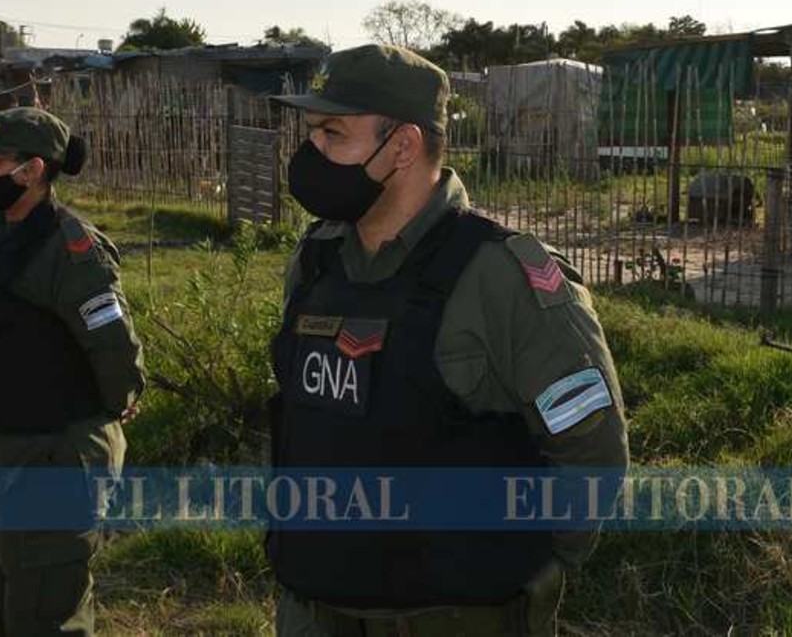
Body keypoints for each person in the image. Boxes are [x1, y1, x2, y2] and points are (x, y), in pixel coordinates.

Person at [268, 45, 629, 637]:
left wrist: (523, 576)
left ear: (403, 147)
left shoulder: (500, 276)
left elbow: (591, 453)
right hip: (313, 610)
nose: (311, 154)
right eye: (311, 133)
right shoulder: (316, 261)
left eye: (333, 133)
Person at [0, 107, 146, 636]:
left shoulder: (69, 249)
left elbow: (113, 345)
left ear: (31, 171)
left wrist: (120, 398)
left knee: (47, 612)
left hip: (49, 457)